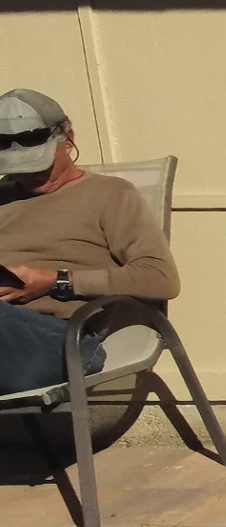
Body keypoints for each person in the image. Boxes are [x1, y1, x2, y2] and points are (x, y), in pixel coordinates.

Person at [0, 89, 177, 395]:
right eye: (17, 168)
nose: (29, 176)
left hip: (63, 340)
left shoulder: (110, 194)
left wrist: (56, 281)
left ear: (68, 139)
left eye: (39, 164)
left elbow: (161, 277)